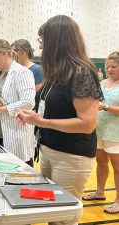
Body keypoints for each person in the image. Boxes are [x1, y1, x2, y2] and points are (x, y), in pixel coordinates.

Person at [15, 15, 102, 225]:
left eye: (43, 40)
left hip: (72, 156)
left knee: (63, 219)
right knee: (52, 214)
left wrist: (43, 122)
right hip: (49, 150)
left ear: (57, 42)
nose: (40, 45)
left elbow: (87, 123)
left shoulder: (81, 72)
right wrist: (32, 116)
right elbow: (50, 109)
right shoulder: (56, 73)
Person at [0, 39, 36, 166]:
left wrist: (1, 109)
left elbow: (28, 102)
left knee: (18, 174)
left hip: (13, 133)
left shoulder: (22, 72)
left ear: (3, 54)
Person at [82, 51, 119, 214]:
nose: (110, 69)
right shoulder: (103, 83)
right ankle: (99, 192)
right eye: (107, 66)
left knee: (117, 168)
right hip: (99, 130)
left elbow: (103, 105)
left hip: (116, 133)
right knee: (101, 162)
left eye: (114, 67)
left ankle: (118, 201)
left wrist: (105, 107)